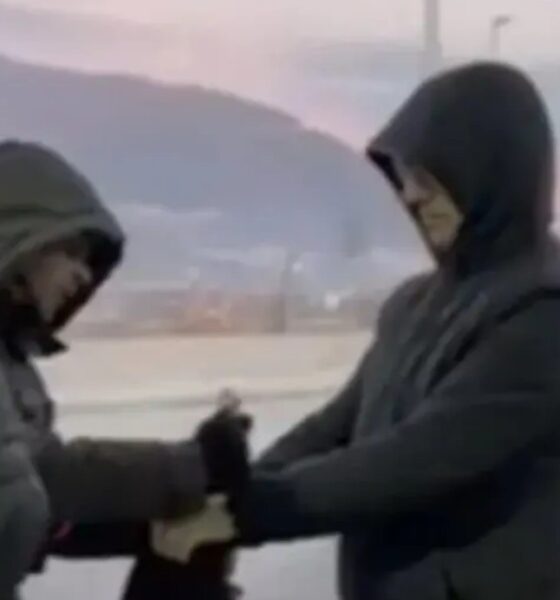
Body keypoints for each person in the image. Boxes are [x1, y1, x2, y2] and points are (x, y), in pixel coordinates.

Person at [223, 63, 560, 600]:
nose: (410, 196)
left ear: (490, 169)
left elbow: (413, 460)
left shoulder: (543, 311)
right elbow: (334, 428)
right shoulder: (412, 305)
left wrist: (247, 511)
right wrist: (225, 487)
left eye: (429, 178)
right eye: (404, 177)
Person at [0, 141, 248, 597]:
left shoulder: (11, 362)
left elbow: (44, 491)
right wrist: (194, 466)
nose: (82, 275)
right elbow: (40, 482)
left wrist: (165, 508)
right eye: (70, 252)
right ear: (16, 240)